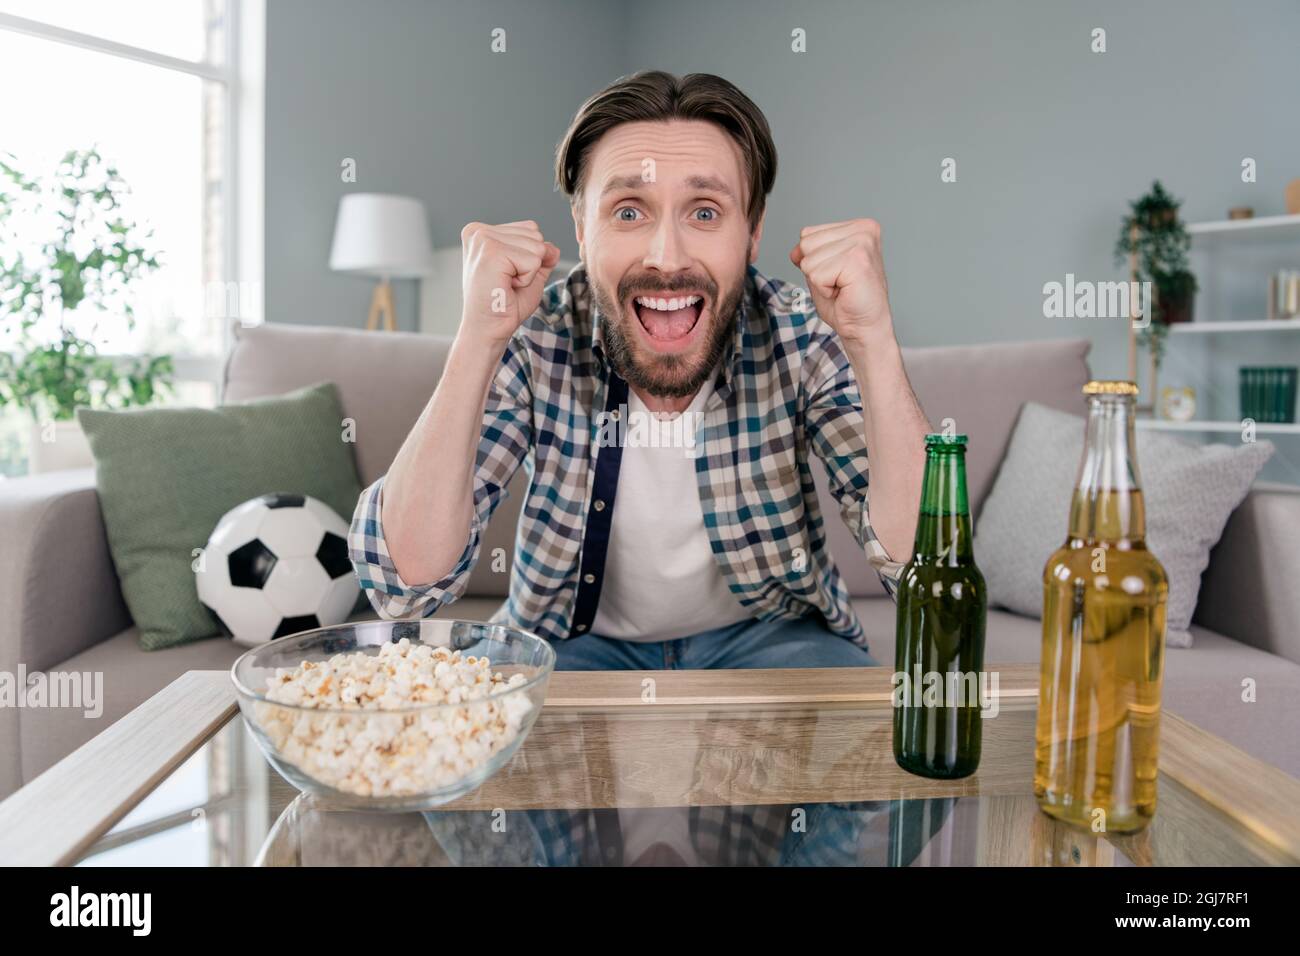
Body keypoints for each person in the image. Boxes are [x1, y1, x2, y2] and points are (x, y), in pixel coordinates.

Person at [348, 70, 932, 670]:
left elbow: (927, 569)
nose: (666, 258)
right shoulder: (534, 337)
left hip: (772, 638)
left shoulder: (803, 333)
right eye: (628, 212)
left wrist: (874, 339)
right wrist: (477, 337)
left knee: (862, 751)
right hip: (569, 644)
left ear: (752, 234)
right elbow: (406, 589)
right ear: (582, 230)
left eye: (705, 213)